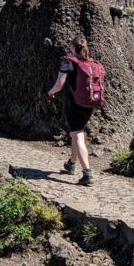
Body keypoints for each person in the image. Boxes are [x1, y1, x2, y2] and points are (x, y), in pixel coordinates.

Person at [47, 35, 99, 186]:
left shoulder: (69, 62)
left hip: (74, 104)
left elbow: (60, 84)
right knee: (77, 133)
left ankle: (87, 173)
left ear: (72, 47)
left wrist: (50, 92)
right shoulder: (91, 63)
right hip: (89, 104)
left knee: (77, 136)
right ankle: (71, 164)